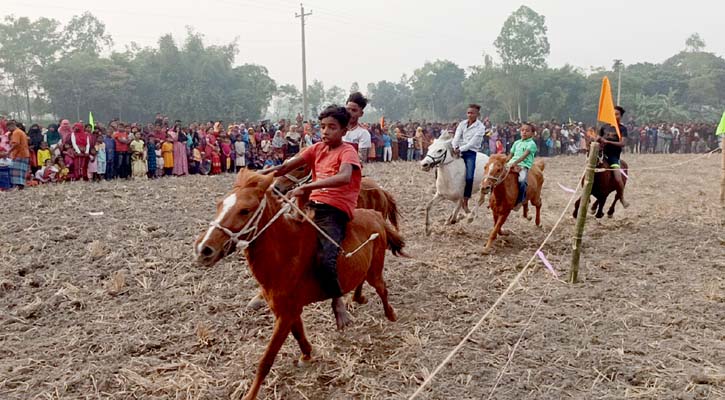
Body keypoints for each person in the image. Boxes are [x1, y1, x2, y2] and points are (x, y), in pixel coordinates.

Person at [263, 105, 361, 330]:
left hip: (335, 209)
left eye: (332, 128)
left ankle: (338, 301)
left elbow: (344, 177)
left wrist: (308, 185)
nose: (326, 131)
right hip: (312, 205)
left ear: (344, 130)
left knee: (326, 257)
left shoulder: (348, 152)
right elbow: (287, 166)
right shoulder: (316, 148)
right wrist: (262, 174)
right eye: (323, 127)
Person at [452, 104, 486, 211]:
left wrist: (460, 150)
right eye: (468, 113)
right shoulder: (462, 124)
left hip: (470, 152)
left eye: (472, 113)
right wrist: (454, 146)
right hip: (457, 149)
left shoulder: (480, 127)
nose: (470, 115)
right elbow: (456, 137)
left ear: (477, 114)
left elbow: (472, 143)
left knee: (469, 177)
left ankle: (465, 200)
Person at [506, 122, 538, 211]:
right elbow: (510, 155)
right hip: (511, 163)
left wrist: (515, 163)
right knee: (497, 176)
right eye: (522, 130)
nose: (524, 132)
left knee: (522, 181)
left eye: (527, 131)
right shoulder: (516, 143)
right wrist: (504, 162)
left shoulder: (531, 144)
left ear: (532, 133)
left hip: (523, 165)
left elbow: (524, 155)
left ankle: (520, 200)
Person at [598, 123, 629, 208]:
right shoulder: (604, 127)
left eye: (617, 114)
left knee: (618, 178)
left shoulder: (622, 128)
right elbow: (598, 138)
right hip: (600, 154)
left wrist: (608, 141)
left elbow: (622, 143)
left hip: (613, 156)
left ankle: (621, 197)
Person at [343, 92, 372, 162]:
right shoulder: (336, 129)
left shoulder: (363, 134)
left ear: (361, 113)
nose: (350, 113)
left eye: (354, 110)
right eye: (348, 109)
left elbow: (361, 160)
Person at [8, 121, 30, 189]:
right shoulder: (21, 132)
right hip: (24, 153)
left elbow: (16, 143)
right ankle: (21, 185)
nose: (8, 130)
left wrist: (9, 151)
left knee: (16, 171)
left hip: (19, 154)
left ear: (11, 126)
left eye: (8, 128)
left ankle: (18, 185)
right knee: (21, 171)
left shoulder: (16, 132)